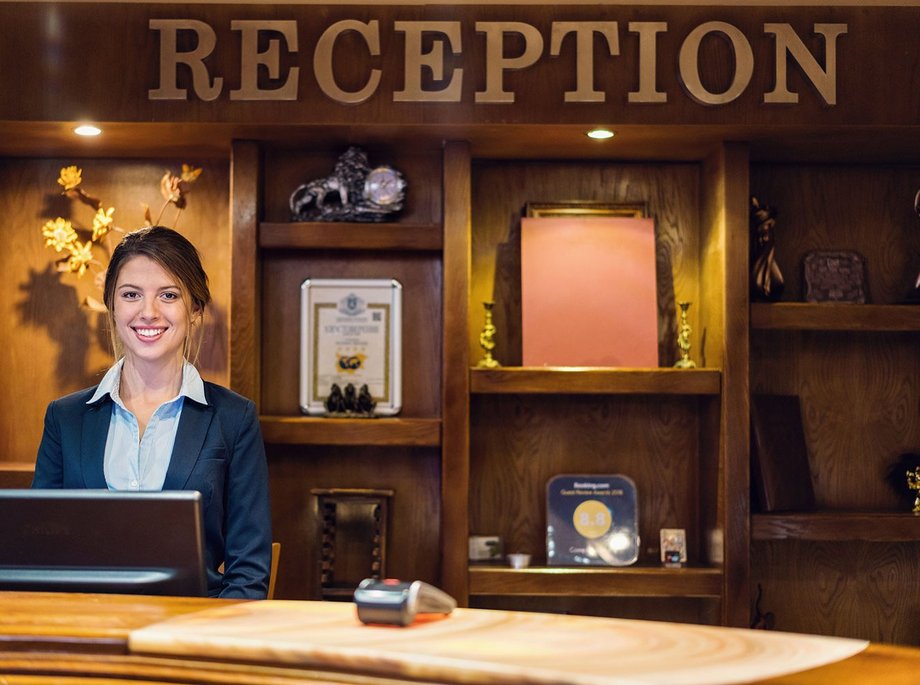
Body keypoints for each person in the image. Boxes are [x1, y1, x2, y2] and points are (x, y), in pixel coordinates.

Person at [32, 226, 272, 599]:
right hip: (85, 632)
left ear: (194, 310)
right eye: (131, 295)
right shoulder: (65, 418)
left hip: (189, 636)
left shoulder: (234, 418)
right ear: (111, 307)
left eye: (168, 295)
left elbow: (248, 572)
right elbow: (40, 553)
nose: (149, 312)